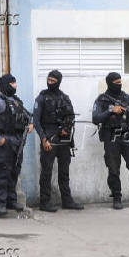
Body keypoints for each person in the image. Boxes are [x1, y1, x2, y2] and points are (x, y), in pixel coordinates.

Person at [92, 72, 129, 210]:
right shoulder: (101, 100)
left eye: (120, 82)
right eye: (116, 83)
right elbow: (96, 118)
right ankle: (117, 198)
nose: (119, 85)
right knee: (113, 169)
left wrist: (128, 111)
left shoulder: (126, 97)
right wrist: (111, 110)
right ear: (109, 83)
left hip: (127, 137)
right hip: (111, 137)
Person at [33, 70, 84, 212]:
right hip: (49, 138)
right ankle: (45, 202)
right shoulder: (42, 97)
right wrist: (43, 139)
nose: (50, 83)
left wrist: (66, 129)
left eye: (53, 81)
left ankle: (67, 201)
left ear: (58, 82)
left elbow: (71, 116)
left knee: (64, 172)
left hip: (64, 140)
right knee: (47, 172)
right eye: (48, 80)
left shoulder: (65, 97)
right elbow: (36, 120)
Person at [0, 74, 33, 217]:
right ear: (6, 84)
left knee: (14, 172)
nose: (15, 86)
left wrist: (31, 124)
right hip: (5, 141)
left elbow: (28, 115)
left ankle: (11, 201)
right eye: (12, 83)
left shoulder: (16, 101)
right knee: (3, 172)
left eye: (15, 83)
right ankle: (0, 204)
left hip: (17, 141)